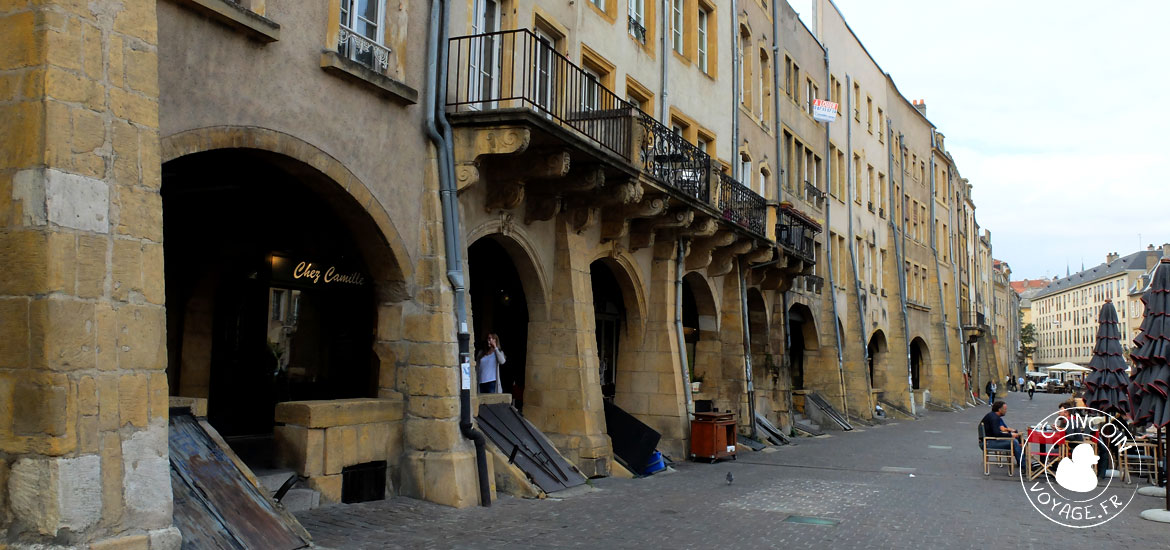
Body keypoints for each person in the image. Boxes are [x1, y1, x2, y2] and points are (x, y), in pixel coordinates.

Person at [981, 401, 1023, 468]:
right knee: (1014, 442)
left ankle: (1022, 463)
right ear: (999, 409)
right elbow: (997, 433)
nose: (1006, 411)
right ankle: (1023, 465)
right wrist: (1011, 435)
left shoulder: (992, 415)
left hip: (988, 441)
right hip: (988, 442)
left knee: (1019, 440)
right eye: (1005, 409)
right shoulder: (994, 418)